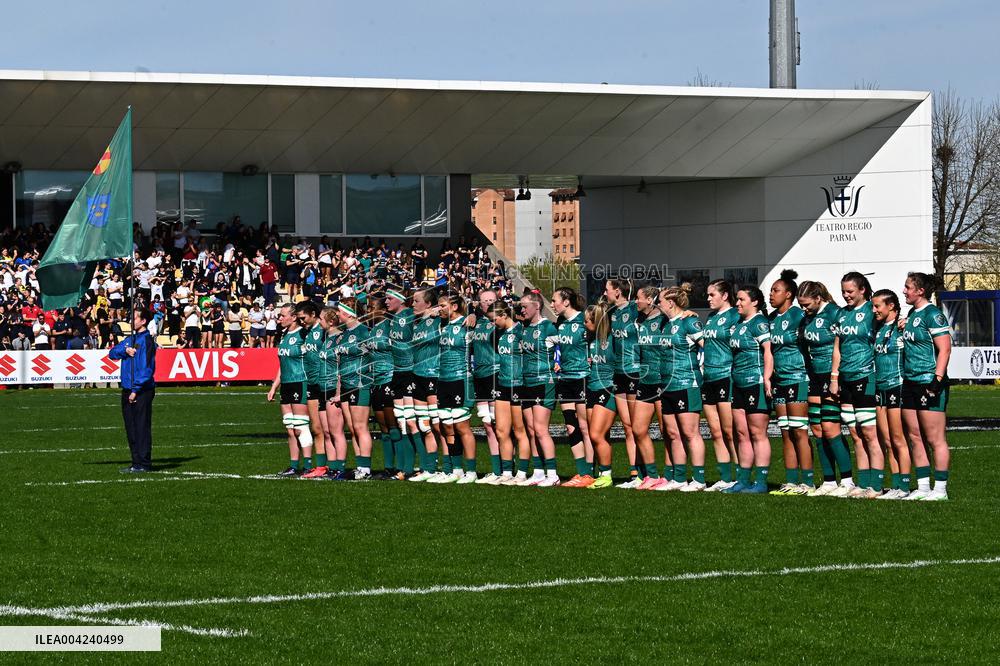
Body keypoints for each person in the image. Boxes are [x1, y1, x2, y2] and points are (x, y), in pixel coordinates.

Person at [798, 281, 854, 497]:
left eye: (807, 304)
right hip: (815, 378)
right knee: (818, 430)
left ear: (819, 298)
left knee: (831, 429)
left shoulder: (834, 313)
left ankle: (847, 480)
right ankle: (829, 481)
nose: (804, 309)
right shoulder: (807, 318)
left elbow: (842, 345)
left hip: (832, 377)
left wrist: (835, 376)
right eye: (801, 305)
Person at [900, 272, 952, 501]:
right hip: (910, 381)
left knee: (935, 438)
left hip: (928, 382)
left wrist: (937, 379)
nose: (904, 291)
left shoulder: (933, 314)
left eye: (907, 287)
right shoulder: (912, 313)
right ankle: (922, 488)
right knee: (915, 436)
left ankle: (940, 490)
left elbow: (945, 349)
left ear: (920, 291)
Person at [831, 272, 882, 498]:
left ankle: (876, 485)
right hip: (845, 379)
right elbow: (837, 347)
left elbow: (891, 322)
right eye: (843, 291)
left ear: (862, 290)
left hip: (866, 376)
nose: (846, 295)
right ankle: (862, 483)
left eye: (850, 291)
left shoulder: (873, 311)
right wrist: (834, 377)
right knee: (854, 432)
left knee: (869, 432)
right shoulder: (842, 314)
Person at [722, 286, 773, 494]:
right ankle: (743, 480)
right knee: (741, 433)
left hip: (755, 382)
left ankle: (760, 482)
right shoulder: (738, 324)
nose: (737, 303)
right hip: (738, 383)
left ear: (755, 302)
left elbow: (768, 352)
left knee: (757, 433)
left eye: (742, 299)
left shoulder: (759, 323)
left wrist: (767, 378)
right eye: (737, 299)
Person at [767, 270, 813, 496]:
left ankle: (808, 481)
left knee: (799, 432)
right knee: (785, 432)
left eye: (775, 290)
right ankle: (792, 481)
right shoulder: (771, 318)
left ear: (789, 294)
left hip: (797, 377)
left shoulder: (799, 316)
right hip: (779, 380)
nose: (771, 294)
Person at [657, 284, 707, 491]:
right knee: (672, 433)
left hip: (686, 382)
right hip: (668, 384)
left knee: (690, 432)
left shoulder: (690, 322)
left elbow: (709, 348)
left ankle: (699, 479)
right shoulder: (666, 324)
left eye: (659, 301)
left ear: (670, 302)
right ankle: (679, 478)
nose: (657, 304)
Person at [551, 287, 593, 486]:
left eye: (554, 300)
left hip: (583, 377)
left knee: (585, 426)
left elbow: (598, 339)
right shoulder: (560, 322)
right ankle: (581, 472)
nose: (552, 304)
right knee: (570, 426)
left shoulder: (585, 319)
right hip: (565, 378)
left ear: (566, 302)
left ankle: (591, 473)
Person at [701, 279, 740, 491]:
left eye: (711, 295)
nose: (708, 299)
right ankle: (725, 477)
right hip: (709, 378)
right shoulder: (711, 317)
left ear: (725, 296)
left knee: (729, 430)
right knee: (715, 431)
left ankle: (740, 476)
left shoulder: (735, 315)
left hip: (726, 375)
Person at [517, 291, 560, 487]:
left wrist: (558, 364)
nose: (522, 310)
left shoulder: (548, 327)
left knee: (542, 429)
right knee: (532, 429)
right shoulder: (524, 328)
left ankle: (553, 474)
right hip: (527, 383)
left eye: (525, 306)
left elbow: (563, 350)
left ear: (537, 306)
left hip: (544, 381)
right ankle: (538, 472)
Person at [872, 289, 911, 499]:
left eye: (877, 306)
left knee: (898, 439)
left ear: (892, 306)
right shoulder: (878, 328)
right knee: (887, 440)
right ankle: (895, 485)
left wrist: (908, 321)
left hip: (898, 385)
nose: (874, 310)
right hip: (881, 387)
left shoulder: (902, 326)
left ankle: (904, 486)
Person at [266, 304, 314, 476]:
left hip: (300, 382)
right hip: (286, 385)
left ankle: (308, 465)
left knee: (301, 427)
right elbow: (282, 364)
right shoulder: (284, 335)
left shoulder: (303, 334)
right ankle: (294, 465)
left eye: (282, 315)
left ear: (294, 317)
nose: (279, 319)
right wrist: (274, 386)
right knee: (290, 428)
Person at [436, 292, 478, 483]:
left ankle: (471, 471)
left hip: (461, 380)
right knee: (447, 427)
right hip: (443, 381)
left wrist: (474, 314)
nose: (440, 309)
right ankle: (457, 469)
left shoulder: (467, 325)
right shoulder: (442, 326)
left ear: (454, 307)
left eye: (443, 305)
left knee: (462, 427)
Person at [109, 308, 157, 473]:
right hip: (128, 388)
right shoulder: (130, 340)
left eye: (135, 317)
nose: (131, 320)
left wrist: (135, 390)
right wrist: (125, 350)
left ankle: (144, 463)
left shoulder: (147, 341)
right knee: (131, 427)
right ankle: (136, 462)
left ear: (143, 321)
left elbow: (147, 369)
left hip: (141, 390)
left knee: (141, 427)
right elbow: (112, 353)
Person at [630, 285, 668, 490]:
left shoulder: (664, 320)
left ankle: (671, 475)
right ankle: (652, 475)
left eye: (639, 298)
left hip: (663, 381)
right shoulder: (639, 321)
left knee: (667, 431)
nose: (636, 302)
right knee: (638, 429)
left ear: (651, 300)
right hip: (645, 382)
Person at [605, 278, 642, 488]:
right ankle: (634, 473)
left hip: (635, 372)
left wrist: (687, 312)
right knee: (627, 426)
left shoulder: (635, 310)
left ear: (618, 291)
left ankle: (650, 472)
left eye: (607, 290)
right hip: (617, 373)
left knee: (638, 427)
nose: (605, 293)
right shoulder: (611, 314)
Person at [334, 297, 375, 480]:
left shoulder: (364, 332)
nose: (336, 314)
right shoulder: (343, 334)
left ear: (348, 313)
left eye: (339, 311)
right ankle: (360, 466)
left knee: (361, 426)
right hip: (347, 385)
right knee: (353, 427)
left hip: (360, 384)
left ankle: (365, 469)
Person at [490, 301, 530, 485]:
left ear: (504, 315)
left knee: (520, 431)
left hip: (518, 384)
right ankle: (507, 473)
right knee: (501, 431)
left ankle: (521, 473)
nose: (493, 323)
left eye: (494, 319)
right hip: (502, 384)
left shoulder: (521, 331)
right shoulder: (500, 334)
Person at [468, 289, 503, 484]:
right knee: (487, 425)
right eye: (485, 301)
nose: (488, 303)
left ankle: (507, 468)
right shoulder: (476, 323)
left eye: (492, 300)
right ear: (479, 304)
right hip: (480, 378)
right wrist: (471, 314)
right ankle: (496, 470)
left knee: (501, 426)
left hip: (496, 375)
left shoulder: (501, 324)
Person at [583, 303, 617, 489]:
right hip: (592, 387)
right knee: (597, 434)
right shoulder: (590, 338)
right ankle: (597, 473)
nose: (584, 324)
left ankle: (606, 475)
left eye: (587, 321)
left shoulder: (612, 338)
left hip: (608, 387)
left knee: (596, 434)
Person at [296, 300, 330, 479]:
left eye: (303, 318)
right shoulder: (307, 333)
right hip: (311, 383)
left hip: (324, 382)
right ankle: (321, 466)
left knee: (328, 429)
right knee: (316, 428)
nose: (301, 322)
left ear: (313, 315)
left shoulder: (323, 331)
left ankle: (333, 465)